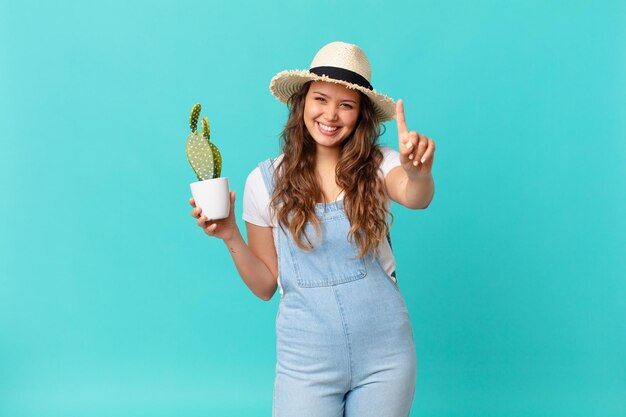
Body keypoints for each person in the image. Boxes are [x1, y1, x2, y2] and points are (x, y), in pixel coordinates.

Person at [190, 41, 435, 417]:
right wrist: (229, 235)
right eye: (321, 99)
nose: (331, 115)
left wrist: (418, 173)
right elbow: (265, 285)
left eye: (346, 105)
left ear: (361, 115)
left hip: (385, 356)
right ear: (302, 102)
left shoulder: (379, 165)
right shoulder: (265, 181)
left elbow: (416, 196)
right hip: (306, 362)